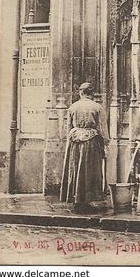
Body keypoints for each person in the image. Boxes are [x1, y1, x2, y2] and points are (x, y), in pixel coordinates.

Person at [60, 82, 109, 213]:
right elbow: (103, 129)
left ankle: (77, 199)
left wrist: (71, 139)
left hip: (75, 143)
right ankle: (86, 200)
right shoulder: (97, 107)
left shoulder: (73, 107)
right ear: (91, 93)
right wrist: (105, 144)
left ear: (80, 93)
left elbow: (68, 128)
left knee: (76, 169)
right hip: (91, 143)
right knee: (88, 170)